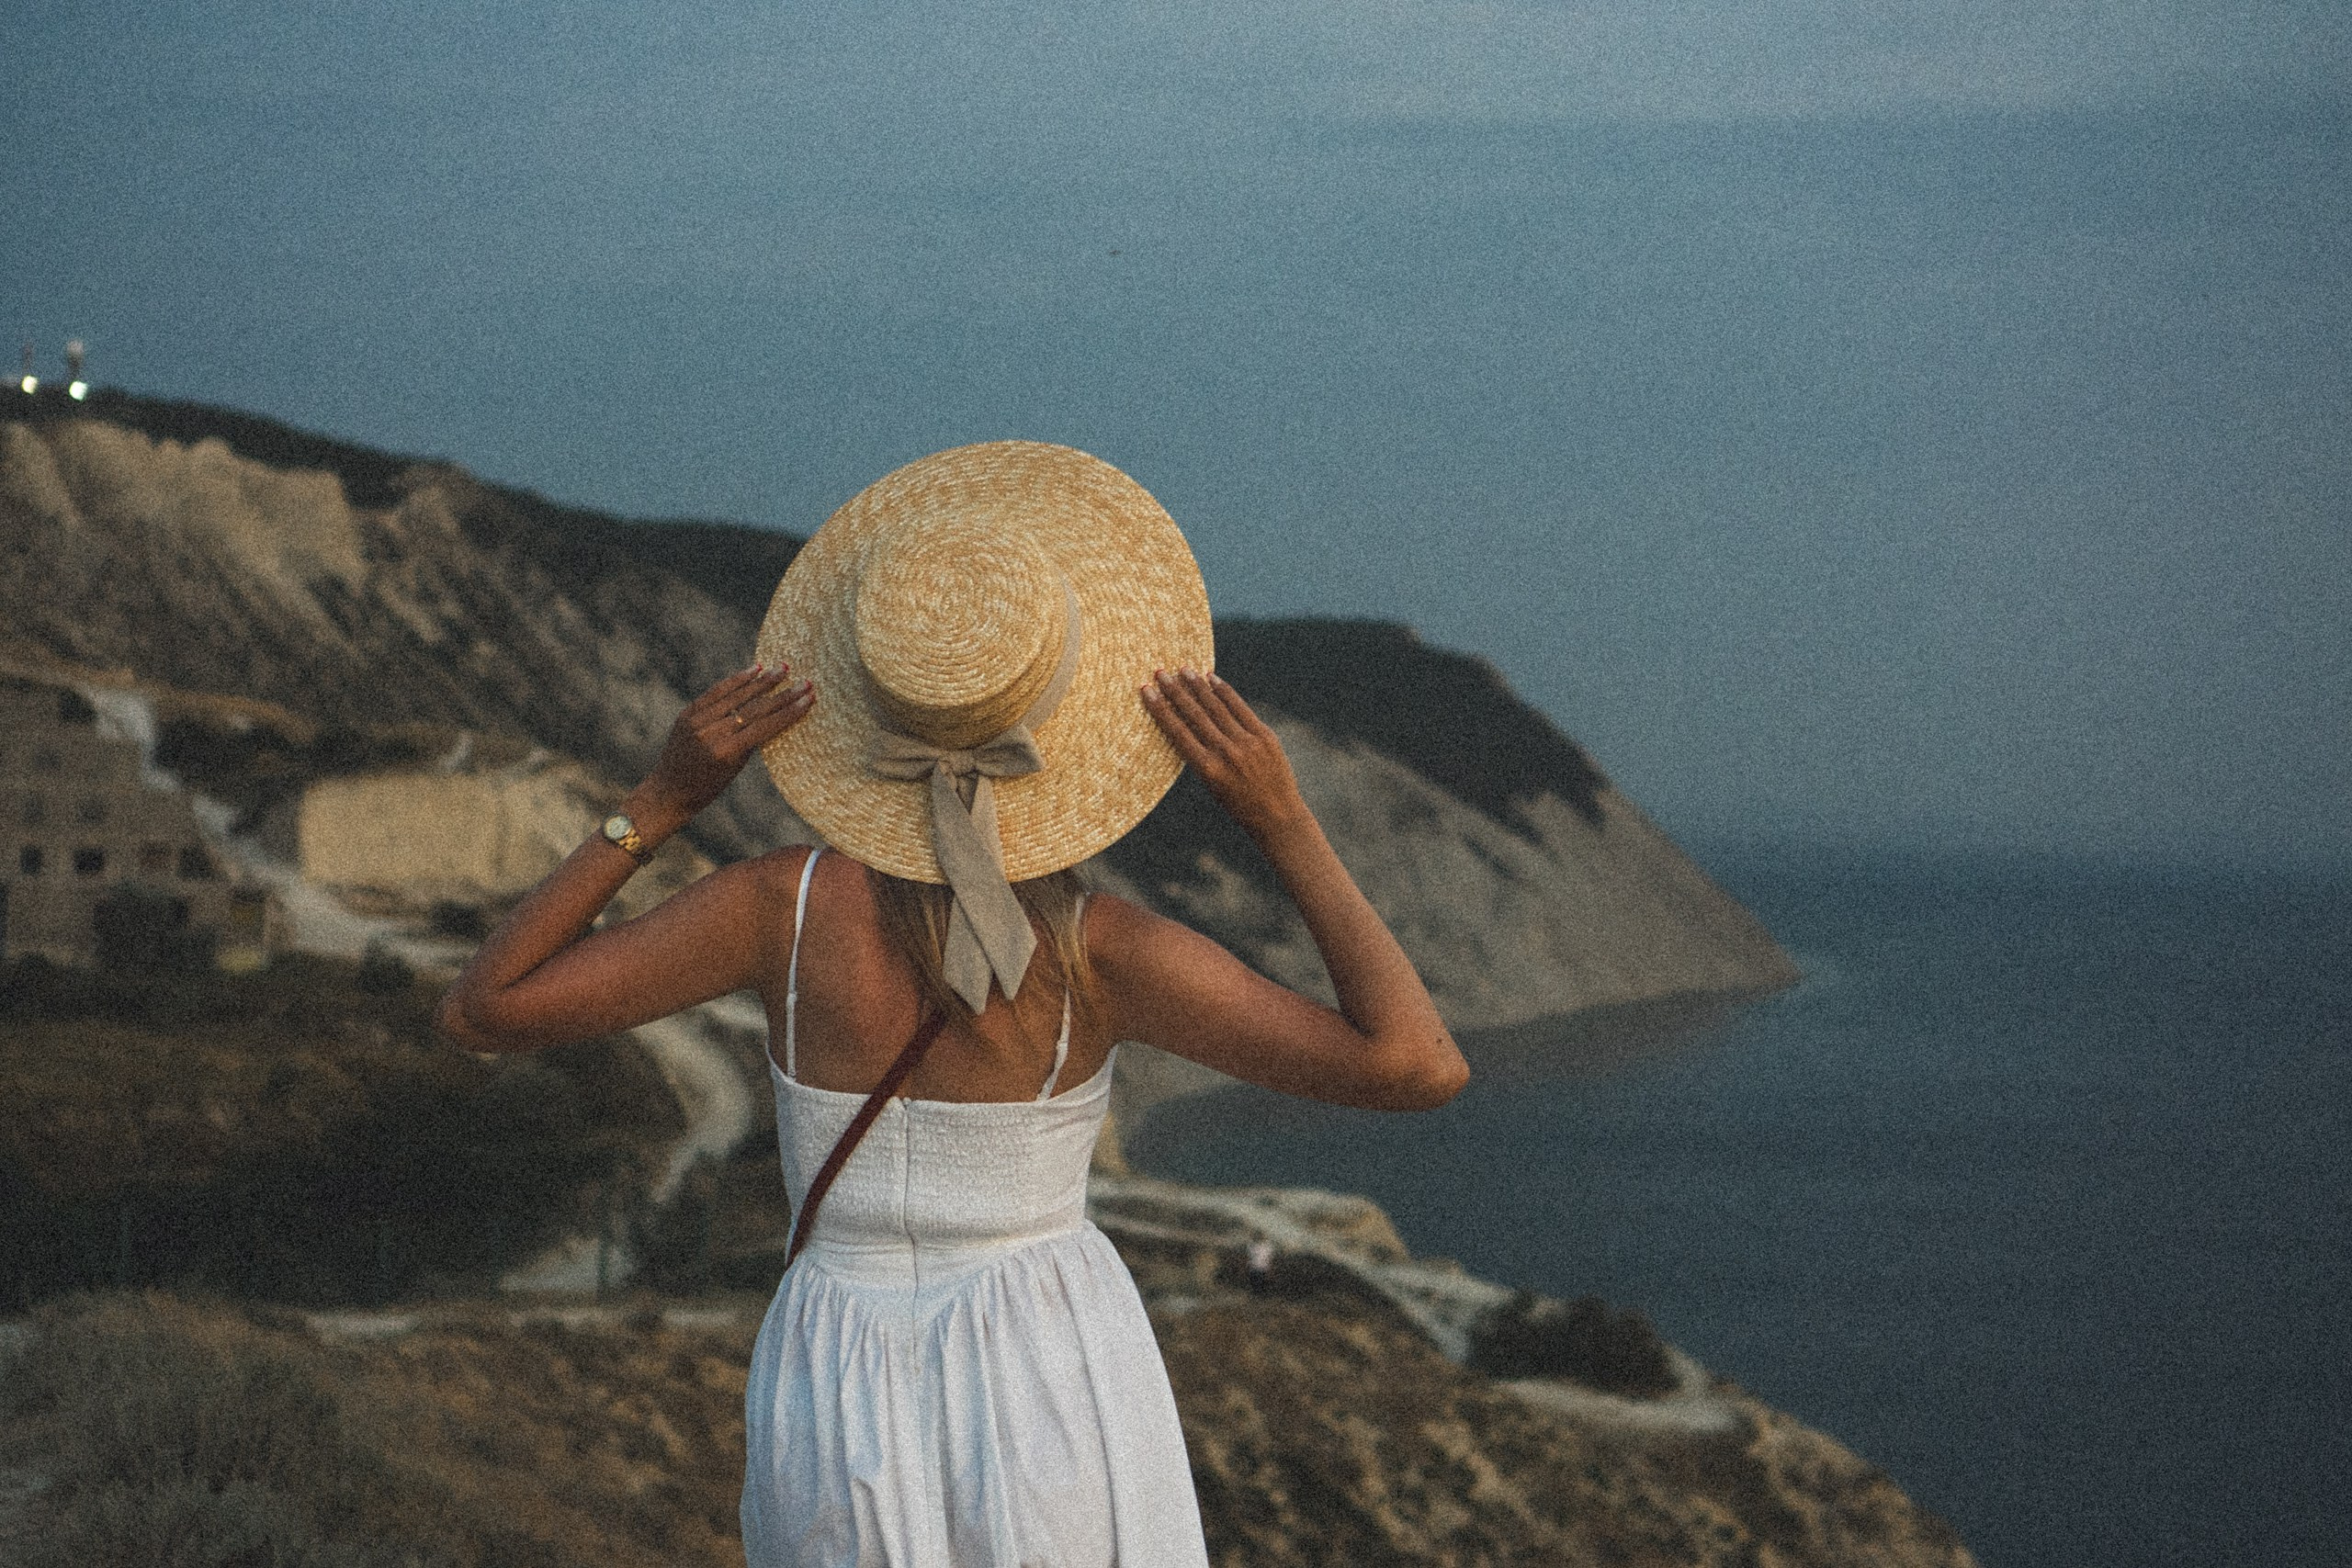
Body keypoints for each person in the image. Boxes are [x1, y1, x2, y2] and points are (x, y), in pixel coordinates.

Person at [436, 441, 1468, 1566]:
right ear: (1072, 727)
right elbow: (1415, 1065)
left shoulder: (775, 910)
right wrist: (1280, 821)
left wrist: (662, 800)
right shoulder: (1099, 953)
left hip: (835, 1369)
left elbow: (487, 1007)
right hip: (1050, 1359)